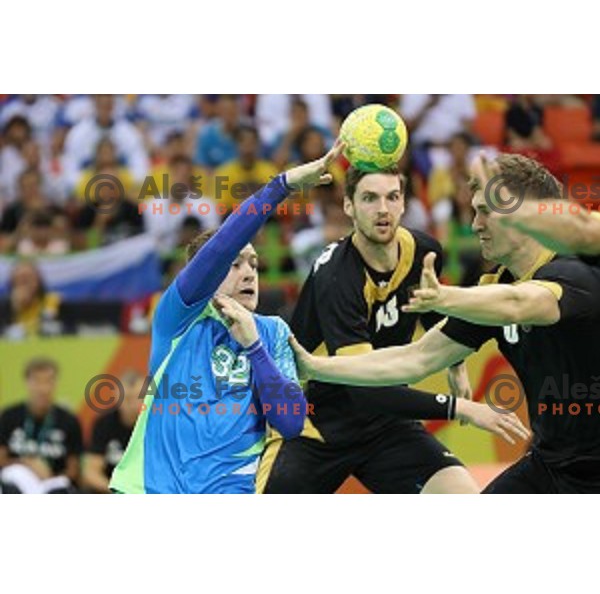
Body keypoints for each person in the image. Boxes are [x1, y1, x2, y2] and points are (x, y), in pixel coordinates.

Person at [291, 153, 600, 494]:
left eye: (486, 211)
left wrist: (443, 299)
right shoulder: (495, 287)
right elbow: (416, 358)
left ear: (526, 216)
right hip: (554, 465)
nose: (475, 225)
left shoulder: (577, 273)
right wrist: (313, 367)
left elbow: (520, 305)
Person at [258, 164, 528, 495]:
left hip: (386, 425)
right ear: (349, 206)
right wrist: (461, 408)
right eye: (369, 198)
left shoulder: (424, 252)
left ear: (404, 204)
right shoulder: (336, 276)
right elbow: (365, 387)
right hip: (314, 427)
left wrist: (454, 363)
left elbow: (428, 307)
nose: (382, 209)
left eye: (392, 197)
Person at [109, 142, 344, 494]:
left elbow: (291, 421)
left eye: (253, 264)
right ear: (206, 274)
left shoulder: (273, 331)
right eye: (235, 265)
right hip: (150, 489)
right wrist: (282, 186)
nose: (249, 273)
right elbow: (223, 243)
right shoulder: (179, 317)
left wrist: (254, 348)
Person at [0, 358, 83, 494]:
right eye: (37, 381)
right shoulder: (9, 416)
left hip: (52, 486)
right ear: (27, 383)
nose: (43, 388)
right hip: (15, 485)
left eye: (48, 381)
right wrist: (26, 464)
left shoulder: (69, 420)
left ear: (56, 383)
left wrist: (49, 477)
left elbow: (74, 470)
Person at [82, 370, 145, 493]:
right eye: (127, 398)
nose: (131, 404)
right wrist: (116, 492)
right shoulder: (104, 424)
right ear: (116, 395)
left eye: (137, 397)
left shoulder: (153, 426)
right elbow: (91, 472)